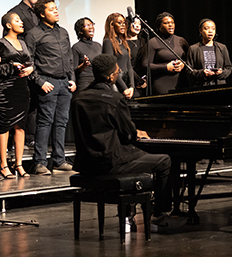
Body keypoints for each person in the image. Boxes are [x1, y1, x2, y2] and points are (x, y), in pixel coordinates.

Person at [72, 54, 186, 232]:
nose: (118, 74)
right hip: (109, 162)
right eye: (117, 72)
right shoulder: (115, 100)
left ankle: (128, 216)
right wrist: (137, 132)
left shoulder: (78, 98)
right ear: (111, 77)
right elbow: (128, 135)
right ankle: (160, 215)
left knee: (138, 159)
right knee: (164, 161)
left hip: (86, 163)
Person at [24, 0, 76, 175]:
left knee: (61, 122)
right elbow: (29, 61)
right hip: (48, 82)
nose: (56, 11)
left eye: (56, 8)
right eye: (51, 9)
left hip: (64, 82)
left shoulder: (63, 32)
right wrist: (39, 81)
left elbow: (69, 58)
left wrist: (72, 78)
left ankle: (59, 159)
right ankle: (39, 162)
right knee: (45, 122)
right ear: (41, 13)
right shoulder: (34, 34)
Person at [0, 12, 34, 179]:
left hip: (22, 87)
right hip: (6, 88)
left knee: (20, 126)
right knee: (5, 126)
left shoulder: (23, 43)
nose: (21, 22)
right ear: (8, 25)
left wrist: (31, 69)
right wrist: (12, 66)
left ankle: (18, 164)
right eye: (17, 20)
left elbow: (31, 63)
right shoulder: (0, 44)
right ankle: (3, 164)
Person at [8, 0, 42, 146]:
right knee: (23, 103)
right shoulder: (16, 12)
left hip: (38, 62)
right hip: (23, 62)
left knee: (35, 104)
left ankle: (31, 138)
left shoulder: (39, 12)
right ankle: (19, 139)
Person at [142, 12, 189, 95]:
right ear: (159, 26)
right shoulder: (152, 43)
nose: (170, 25)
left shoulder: (181, 41)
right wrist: (166, 67)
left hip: (181, 83)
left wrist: (183, 64)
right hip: (162, 84)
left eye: (172, 23)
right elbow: (145, 65)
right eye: (166, 23)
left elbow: (190, 60)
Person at [186, 19, 232, 87]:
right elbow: (188, 71)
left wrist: (221, 73)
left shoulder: (222, 47)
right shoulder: (193, 49)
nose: (210, 31)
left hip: (219, 86)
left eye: (213, 29)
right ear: (200, 31)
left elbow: (229, 68)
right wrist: (202, 73)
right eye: (206, 28)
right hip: (201, 86)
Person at [103, 13, 134, 99]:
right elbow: (111, 67)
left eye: (124, 23)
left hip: (126, 81)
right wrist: (124, 88)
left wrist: (131, 86)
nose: (123, 25)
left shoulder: (123, 42)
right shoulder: (108, 42)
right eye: (119, 23)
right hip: (116, 83)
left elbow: (129, 66)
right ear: (112, 25)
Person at [71, 17, 101, 92]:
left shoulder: (98, 45)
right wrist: (83, 65)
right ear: (80, 31)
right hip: (84, 83)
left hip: (99, 82)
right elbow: (73, 70)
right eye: (87, 25)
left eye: (92, 24)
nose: (91, 27)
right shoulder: (76, 47)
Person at [127, 17, 147, 97]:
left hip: (143, 83)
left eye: (139, 24)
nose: (137, 26)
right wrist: (139, 80)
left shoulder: (143, 41)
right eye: (135, 23)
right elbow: (127, 64)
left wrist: (145, 79)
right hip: (130, 80)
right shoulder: (123, 42)